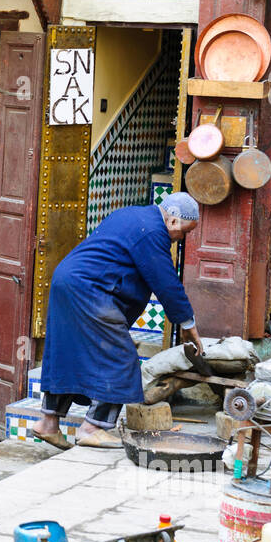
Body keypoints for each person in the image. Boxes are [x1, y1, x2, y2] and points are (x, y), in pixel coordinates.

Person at [33, 193, 204, 450]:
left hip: (68, 281)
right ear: (173, 222)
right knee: (121, 357)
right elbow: (167, 284)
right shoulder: (153, 232)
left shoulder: (131, 215)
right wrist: (189, 325)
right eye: (184, 232)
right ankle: (92, 428)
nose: (181, 238)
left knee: (69, 353)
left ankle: (47, 423)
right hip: (90, 290)